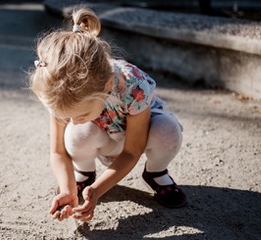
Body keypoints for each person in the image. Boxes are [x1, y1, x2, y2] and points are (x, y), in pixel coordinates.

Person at [28, 7, 186, 222]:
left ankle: (156, 173)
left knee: (167, 130)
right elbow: (57, 152)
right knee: (76, 133)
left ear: (108, 85)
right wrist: (68, 189)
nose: (72, 121)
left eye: (81, 113)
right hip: (101, 137)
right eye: (67, 115)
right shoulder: (58, 87)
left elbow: (132, 151)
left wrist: (97, 191)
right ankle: (83, 173)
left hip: (136, 136)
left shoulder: (133, 84)